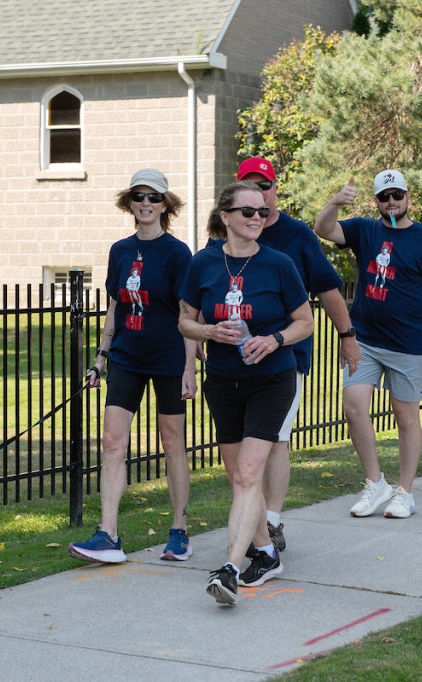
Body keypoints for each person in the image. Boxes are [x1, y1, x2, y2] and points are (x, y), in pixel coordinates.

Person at [208, 157, 360, 575]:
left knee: (275, 440)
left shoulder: (296, 236)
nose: (260, 197)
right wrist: (202, 338)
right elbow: (200, 298)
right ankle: (257, 529)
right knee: (243, 458)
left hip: (284, 359)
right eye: (251, 186)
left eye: (267, 186)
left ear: (275, 190)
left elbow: (327, 289)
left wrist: (347, 337)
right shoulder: (221, 238)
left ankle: (269, 522)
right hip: (229, 367)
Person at [179, 181, 313, 606]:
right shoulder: (203, 263)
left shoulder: (278, 264)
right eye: (248, 211)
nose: (257, 218)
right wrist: (208, 332)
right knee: (238, 476)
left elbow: (305, 321)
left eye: (262, 211)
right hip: (223, 382)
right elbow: (184, 321)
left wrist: (274, 339)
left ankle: (231, 569)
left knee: (248, 474)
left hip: (272, 380)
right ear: (226, 216)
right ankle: (267, 553)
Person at [67, 168, 197, 564]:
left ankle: (179, 529)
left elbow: (188, 312)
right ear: (130, 202)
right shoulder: (120, 250)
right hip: (126, 356)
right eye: (138, 196)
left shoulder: (177, 253)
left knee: (172, 443)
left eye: (153, 197)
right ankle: (108, 534)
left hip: (167, 357)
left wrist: (189, 368)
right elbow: (115, 306)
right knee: (112, 441)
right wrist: (100, 357)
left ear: (165, 205)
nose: (145, 203)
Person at [314, 170, 422, 520]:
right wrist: (335, 201)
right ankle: (375, 483)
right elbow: (323, 229)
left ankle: (404, 492)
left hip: (408, 344)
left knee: (406, 417)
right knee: (354, 406)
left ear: (408, 197)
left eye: (397, 195)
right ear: (376, 201)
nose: (391, 201)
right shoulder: (365, 230)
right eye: (384, 197)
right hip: (365, 339)